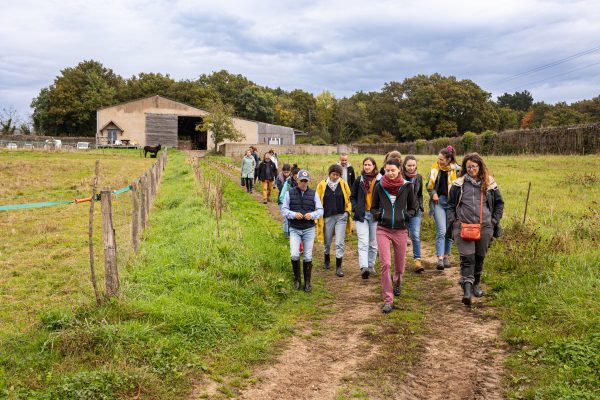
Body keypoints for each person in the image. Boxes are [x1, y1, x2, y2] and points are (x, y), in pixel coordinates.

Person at [446, 153, 504, 305]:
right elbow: (451, 205)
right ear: (464, 167)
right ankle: (466, 290)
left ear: (480, 167)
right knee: (467, 258)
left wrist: (494, 220)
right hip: (463, 227)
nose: (471, 169)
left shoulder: (490, 183)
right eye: (468, 167)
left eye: (474, 166)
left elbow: (499, 204)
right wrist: (453, 221)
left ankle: (476, 284)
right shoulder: (458, 184)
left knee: (479, 258)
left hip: (485, 227)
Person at [371, 158, 417, 314]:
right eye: (387, 170)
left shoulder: (407, 187)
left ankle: (397, 283)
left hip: (400, 230)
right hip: (382, 229)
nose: (390, 173)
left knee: (399, 267)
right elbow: (373, 207)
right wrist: (379, 214)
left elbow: (413, 208)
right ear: (384, 170)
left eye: (393, 170)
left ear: (399, 170)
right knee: (386, 264)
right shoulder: (379, 186)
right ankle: (388, 300)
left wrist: (405, 215)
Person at [281, 170, 324, 292]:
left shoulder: (314, 194)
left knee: (307, 256)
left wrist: (313, 214)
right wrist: (293, 214)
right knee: (294, 254)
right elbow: (284, 210)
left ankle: (308, 283)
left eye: (306, 181)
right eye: (301, 181)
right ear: (297, 180)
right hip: (294, 228)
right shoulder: (290, 193)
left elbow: (320, 210)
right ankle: (297, 280)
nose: (304, 184)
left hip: (309, 229)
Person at [426, 145, 461, 270]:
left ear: (449, 160)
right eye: (438, 158)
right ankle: (440, 258)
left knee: (449, 231)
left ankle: (446, 256)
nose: (439, 161)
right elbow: (429, 186)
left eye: (441, 159)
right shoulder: (435, 169)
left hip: (452, 204)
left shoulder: (457, 170)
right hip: (439, 203)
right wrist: (433, 193)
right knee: (441, 230)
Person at [316, 164, 352, 277]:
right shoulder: (322, 185)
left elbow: (349, 199)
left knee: (339, 242)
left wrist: (347, 212)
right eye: (333, 174)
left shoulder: (343, 184)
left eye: (338, 175)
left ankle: (338, 267)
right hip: (327, 217)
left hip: (341, 216)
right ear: (329, 174)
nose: (335, 177)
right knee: (327, 241)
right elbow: (317, 201)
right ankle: (326, 256)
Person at [350, 157, 382, 279]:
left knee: (373, 243)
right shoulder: (359, 180)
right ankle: (364, 267)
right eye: (365, 164)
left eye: (369, 165)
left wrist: (381, 211)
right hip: (362, 215)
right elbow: (352, 196)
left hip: (375, 215)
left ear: (374, 166)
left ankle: (371, 265)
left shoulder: (380, 180)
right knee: (363, 242)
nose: (367, 167)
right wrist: (356, 207)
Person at [403, 155, 425, 273]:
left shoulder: (419, 177)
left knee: (415, 235)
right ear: (404, 166)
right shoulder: (399, 177)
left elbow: (420, 194)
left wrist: (420, 206)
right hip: (402, 212)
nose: (411, 168)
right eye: (409, 165)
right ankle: (401, 260)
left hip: (416, 211)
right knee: (402, 236)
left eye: (413, 165)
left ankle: (417, 260)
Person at [276, 164, 295, 237]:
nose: (286, 174)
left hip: (292, 200)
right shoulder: (279, 178)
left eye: (288, 172)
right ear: (282, 171)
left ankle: (291, 232)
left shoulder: (293, 178)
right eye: (285, 172)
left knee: (291, 217)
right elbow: (281, 189)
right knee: (286, 217)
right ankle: (286, 233)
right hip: (282, 200)